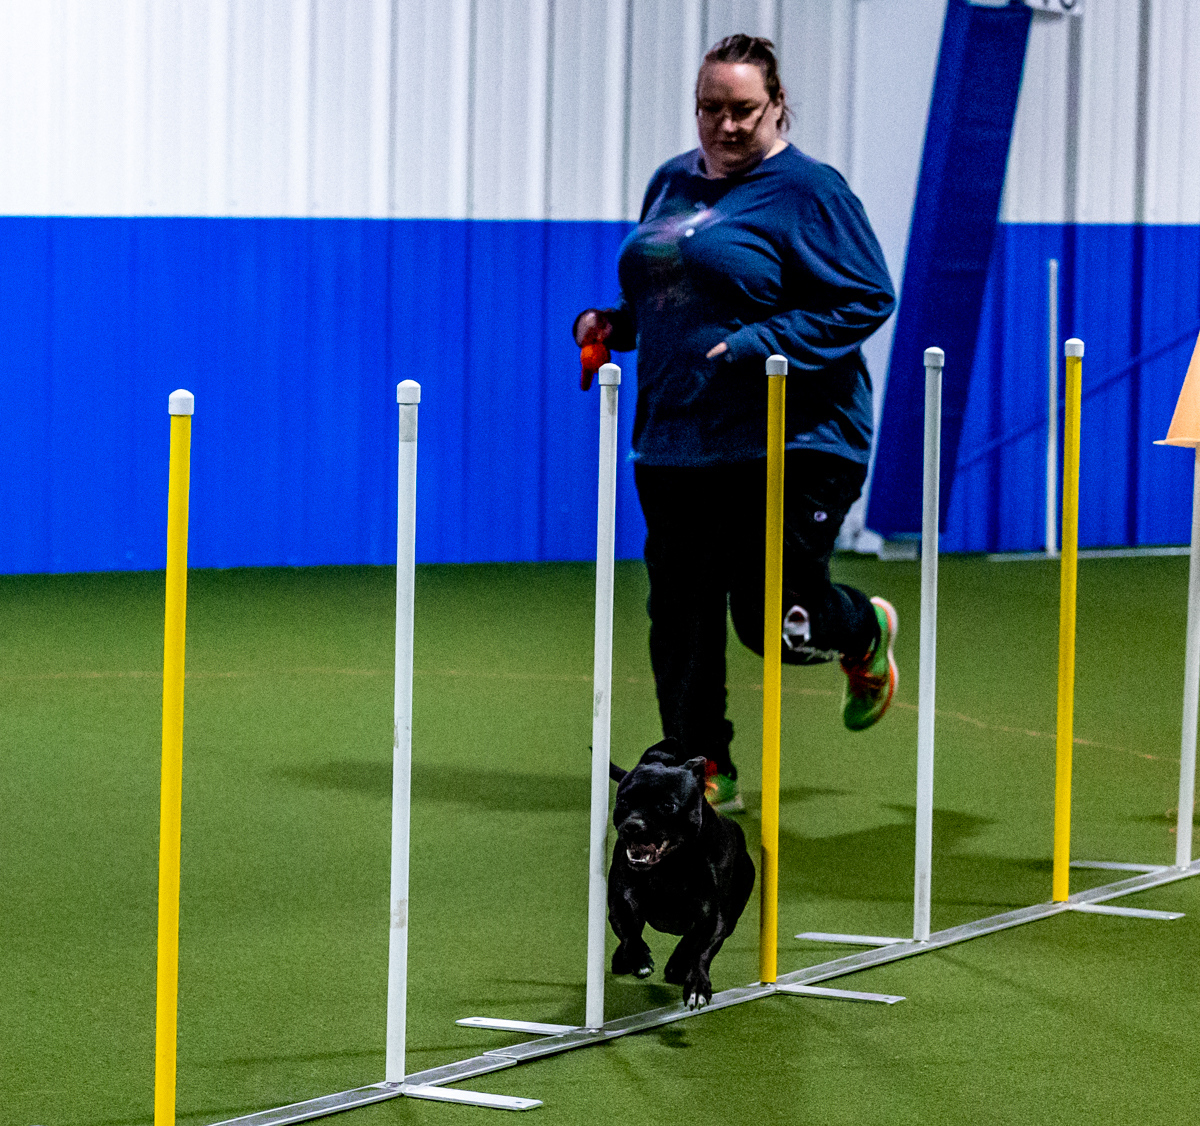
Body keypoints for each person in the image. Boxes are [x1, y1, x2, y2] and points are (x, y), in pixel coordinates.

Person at [574, 34, 897, 813]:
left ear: (777, 105)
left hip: (794, 437)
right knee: (680, 612)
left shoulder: (810, 191)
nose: (726, 125)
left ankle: (860, 629)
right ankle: (702, 765)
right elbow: (671, 297)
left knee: (770, 621)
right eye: (711, 108)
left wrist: (761, 343)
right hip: (677, 437)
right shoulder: (671, 182)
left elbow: (866, 296)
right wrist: (616, 325)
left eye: (744, 110)